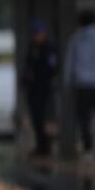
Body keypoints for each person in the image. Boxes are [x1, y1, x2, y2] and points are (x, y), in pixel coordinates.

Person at [64, 10, 95, 158]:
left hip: (82, 84)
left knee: (84, 118)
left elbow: (69, 64)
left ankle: (88, 147)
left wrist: (69, 84)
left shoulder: (75, 39)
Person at [22, 20, 59, 158]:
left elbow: (51, 68)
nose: (36, 36)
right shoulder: (33, 48)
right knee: (36, 118)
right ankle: (41, 145)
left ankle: (45, 146)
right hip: (33, 88)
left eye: (38, 33)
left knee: (44, 118)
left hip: (44, 88)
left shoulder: (48, 48)